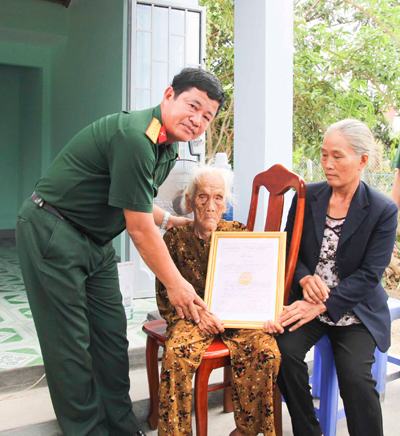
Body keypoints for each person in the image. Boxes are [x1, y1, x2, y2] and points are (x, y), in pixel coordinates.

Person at [16, 68, 225, 436]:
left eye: (207, 116)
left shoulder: (166, 145)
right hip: (53, 230)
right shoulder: (135, 137)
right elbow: (140, 230)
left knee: (112, 338)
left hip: (95, 241)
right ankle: (87, 430)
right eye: (193, 106)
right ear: (168, 96)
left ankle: (122, 426)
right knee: (71, 344)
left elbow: (137, 201)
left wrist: (171, 220)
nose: (197, 120)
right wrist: (176, 285)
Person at [264, 119, 398, 436]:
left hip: (355, 309)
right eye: (324, 155)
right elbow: (289, 252)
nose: (327, 164)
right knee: (280, 354)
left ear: (363, 160)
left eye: (337, 156)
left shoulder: (383, 210)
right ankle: (308, 430)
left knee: (356, 380)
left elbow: (369, 276)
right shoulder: (306, 196)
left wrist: (322, 305)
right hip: (308, 304)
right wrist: (304, 279)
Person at [156, 165, 281, 436]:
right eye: (202, 197)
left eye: (218, 198)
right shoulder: (174, 239)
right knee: (176, 354)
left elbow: (258, 285)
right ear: (189, 203)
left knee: (266, 351)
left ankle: (248, 430)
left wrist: (265, 315)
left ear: (226, 204)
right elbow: (166, 297)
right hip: (191, 318)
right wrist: (198, 316)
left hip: (237, 317)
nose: (210, 205)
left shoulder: (238, 233)